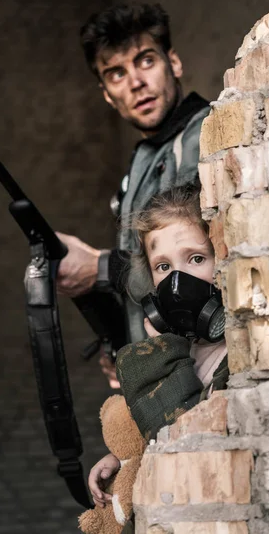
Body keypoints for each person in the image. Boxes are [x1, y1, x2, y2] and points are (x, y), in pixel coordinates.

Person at [55, 3, 211, 387]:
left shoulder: (208, 133)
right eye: (116, 73)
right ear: (107, 94)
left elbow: (203, 256)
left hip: (207, 372)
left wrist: (100, 268)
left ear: (173, 63)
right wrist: (128, 349)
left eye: (145, 61)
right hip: (166, 377)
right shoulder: (144, 158)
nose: (135, 82)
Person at [89, 185, 229, 511]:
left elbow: (187, 441)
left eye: (196, 259)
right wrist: (123, 458)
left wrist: (161, 354)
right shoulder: (177, 349)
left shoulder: (240, 358)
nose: (177, 281)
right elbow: (156, 434)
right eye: (163, 267)